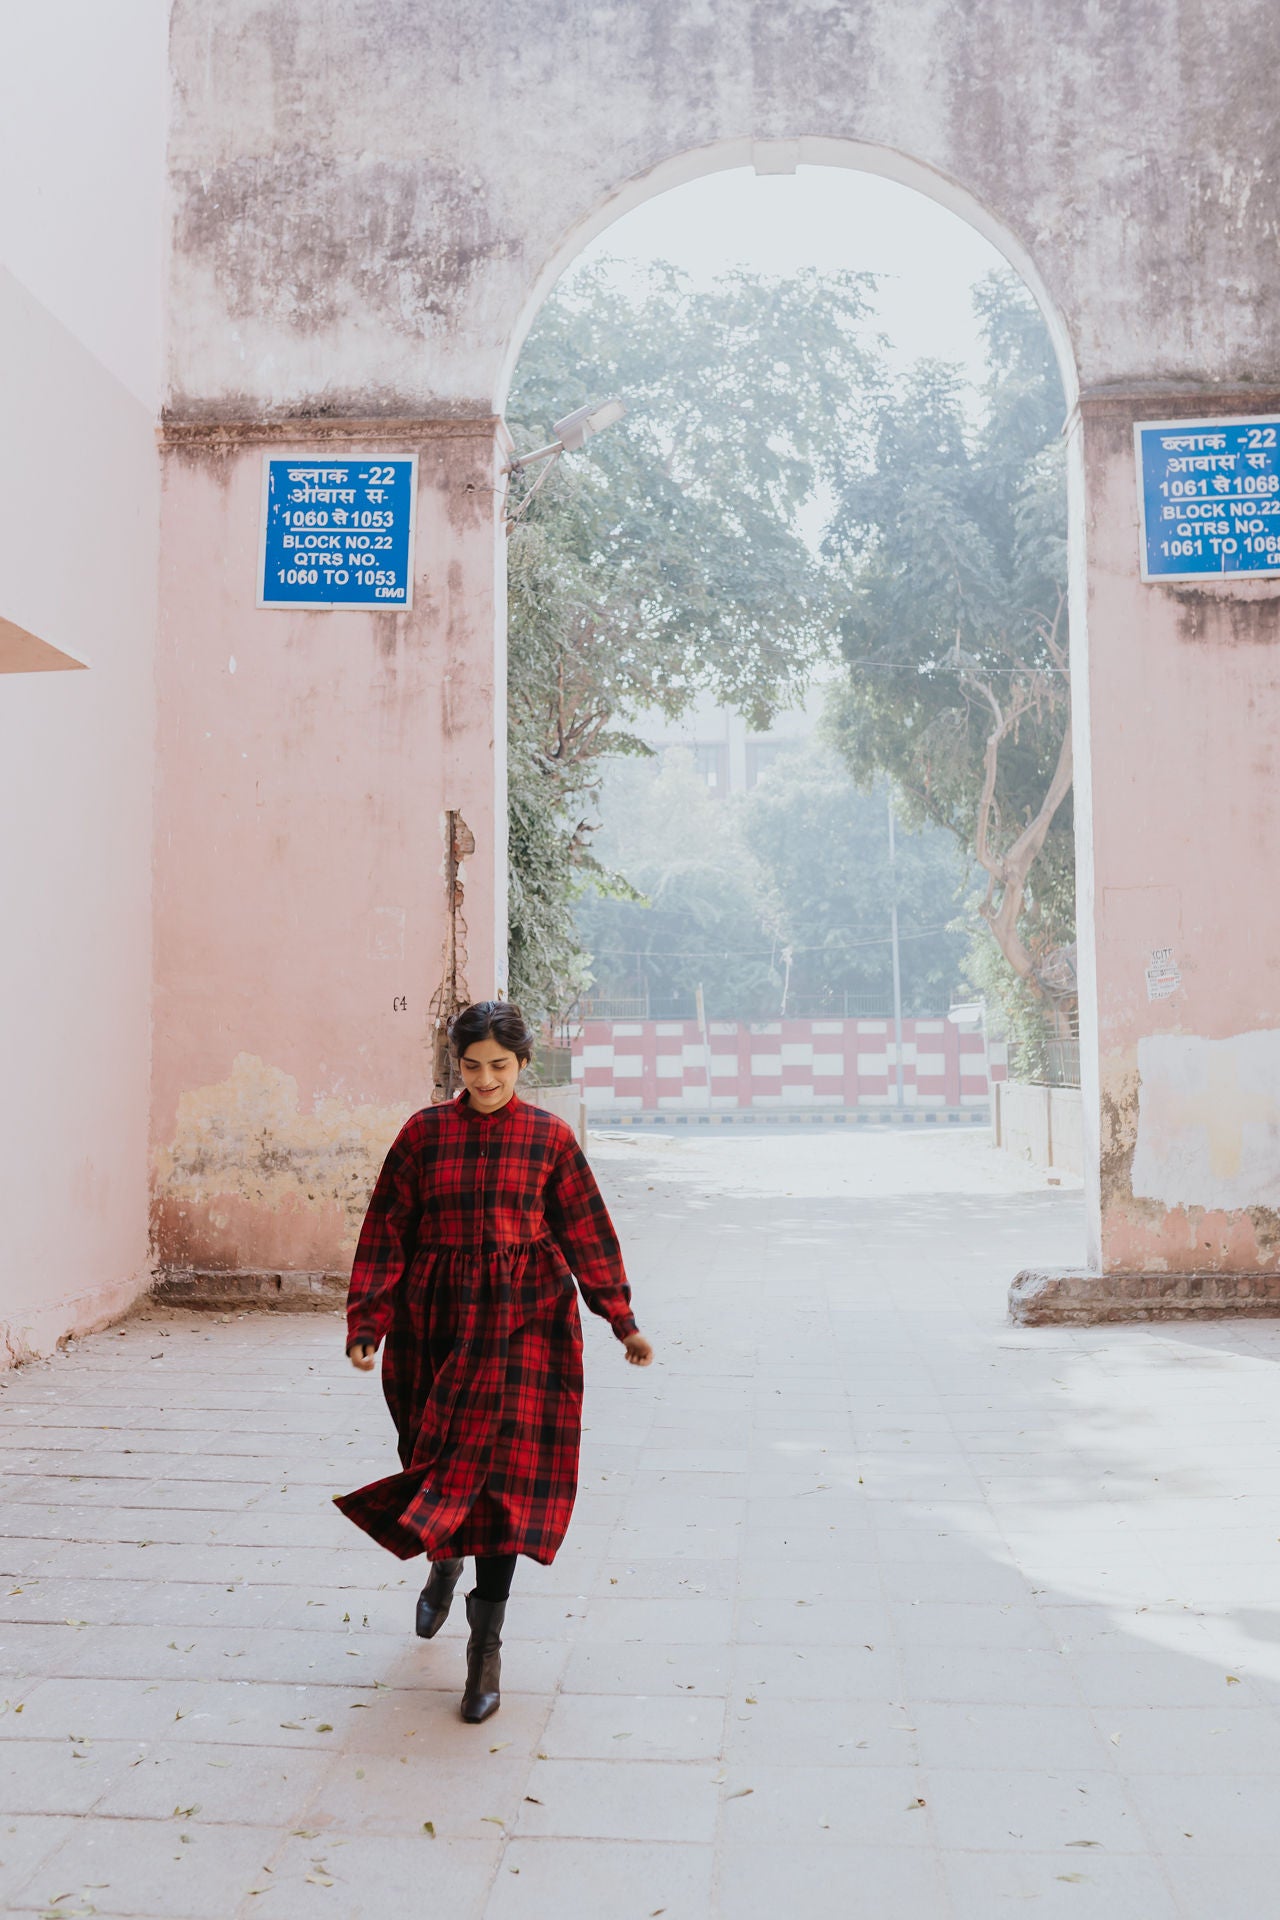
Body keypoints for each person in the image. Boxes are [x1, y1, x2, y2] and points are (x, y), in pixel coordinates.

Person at [333, 1000, 652, 1723]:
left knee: (505, 1486)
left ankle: (486, 1649)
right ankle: (444, 1561)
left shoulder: (550, 1138)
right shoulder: (422, 1135)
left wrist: (620, 1320)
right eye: (471, 1066)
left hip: (524, 1325)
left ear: (524, 1066)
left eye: (499, 1067)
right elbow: (386, 1229)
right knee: (439, 1463)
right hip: (434, 1326)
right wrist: (369, 1321)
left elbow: (587, 1232)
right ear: (456, 1065)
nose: (485, 1079)